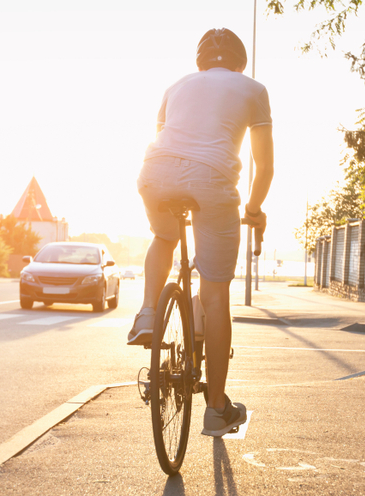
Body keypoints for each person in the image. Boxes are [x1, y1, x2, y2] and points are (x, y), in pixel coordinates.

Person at [126, 28, 273, 438]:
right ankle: (217, 409)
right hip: (213, 181)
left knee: (164, 238)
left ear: (200, 62)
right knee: (214, 293)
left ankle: (148, 315)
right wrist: (254, 209)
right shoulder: (253, 89)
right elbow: (264, 166)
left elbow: (166, 139)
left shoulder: (176, 86)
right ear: (240, 62)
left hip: (155, 173)